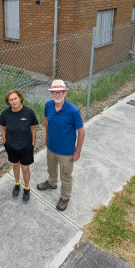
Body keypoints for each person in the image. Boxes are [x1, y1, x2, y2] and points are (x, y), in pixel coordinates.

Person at [37, 80, 85, 211]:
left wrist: (77, 151)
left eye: (60, 92)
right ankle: (52, 183)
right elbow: (47, 122)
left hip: (66, 151)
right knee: (51, 168)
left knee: (66, 175)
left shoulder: (73, 111)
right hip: (51, 147)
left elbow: (81, 132)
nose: (57, 95)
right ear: (51, 93)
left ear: (65, 92)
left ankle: (65, 197)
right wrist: (47, 138)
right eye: (54, 92)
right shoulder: (48, 105)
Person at [0, 89, 39, 203]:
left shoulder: (28, 112)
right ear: (8, 102)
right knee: (15, 165)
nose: (13, 101)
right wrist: (5, 141)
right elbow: (3, 128)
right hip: (11, 146)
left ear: (20, 98)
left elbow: (33, 128)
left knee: (25, 168)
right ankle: (17, 184)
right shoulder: (5, 113)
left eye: (15, 98)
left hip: (26, 146)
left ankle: (26, 187)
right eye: (10, 100)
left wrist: (33, 143)